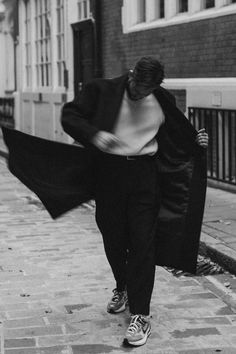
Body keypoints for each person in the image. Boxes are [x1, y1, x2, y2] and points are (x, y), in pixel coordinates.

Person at [60, 56, 209, 347]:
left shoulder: (160, 97)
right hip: (109, 175)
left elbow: (175, 132)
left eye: (147, 91)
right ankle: (122, 286)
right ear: (131, 76)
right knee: (114, 237)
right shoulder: (101, 90)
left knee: (143, 242)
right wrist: (95, 135)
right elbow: (70, 115)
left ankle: (141, 314)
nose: (141, 95)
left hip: (145, 175)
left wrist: (196, 142)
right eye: (138, 88)